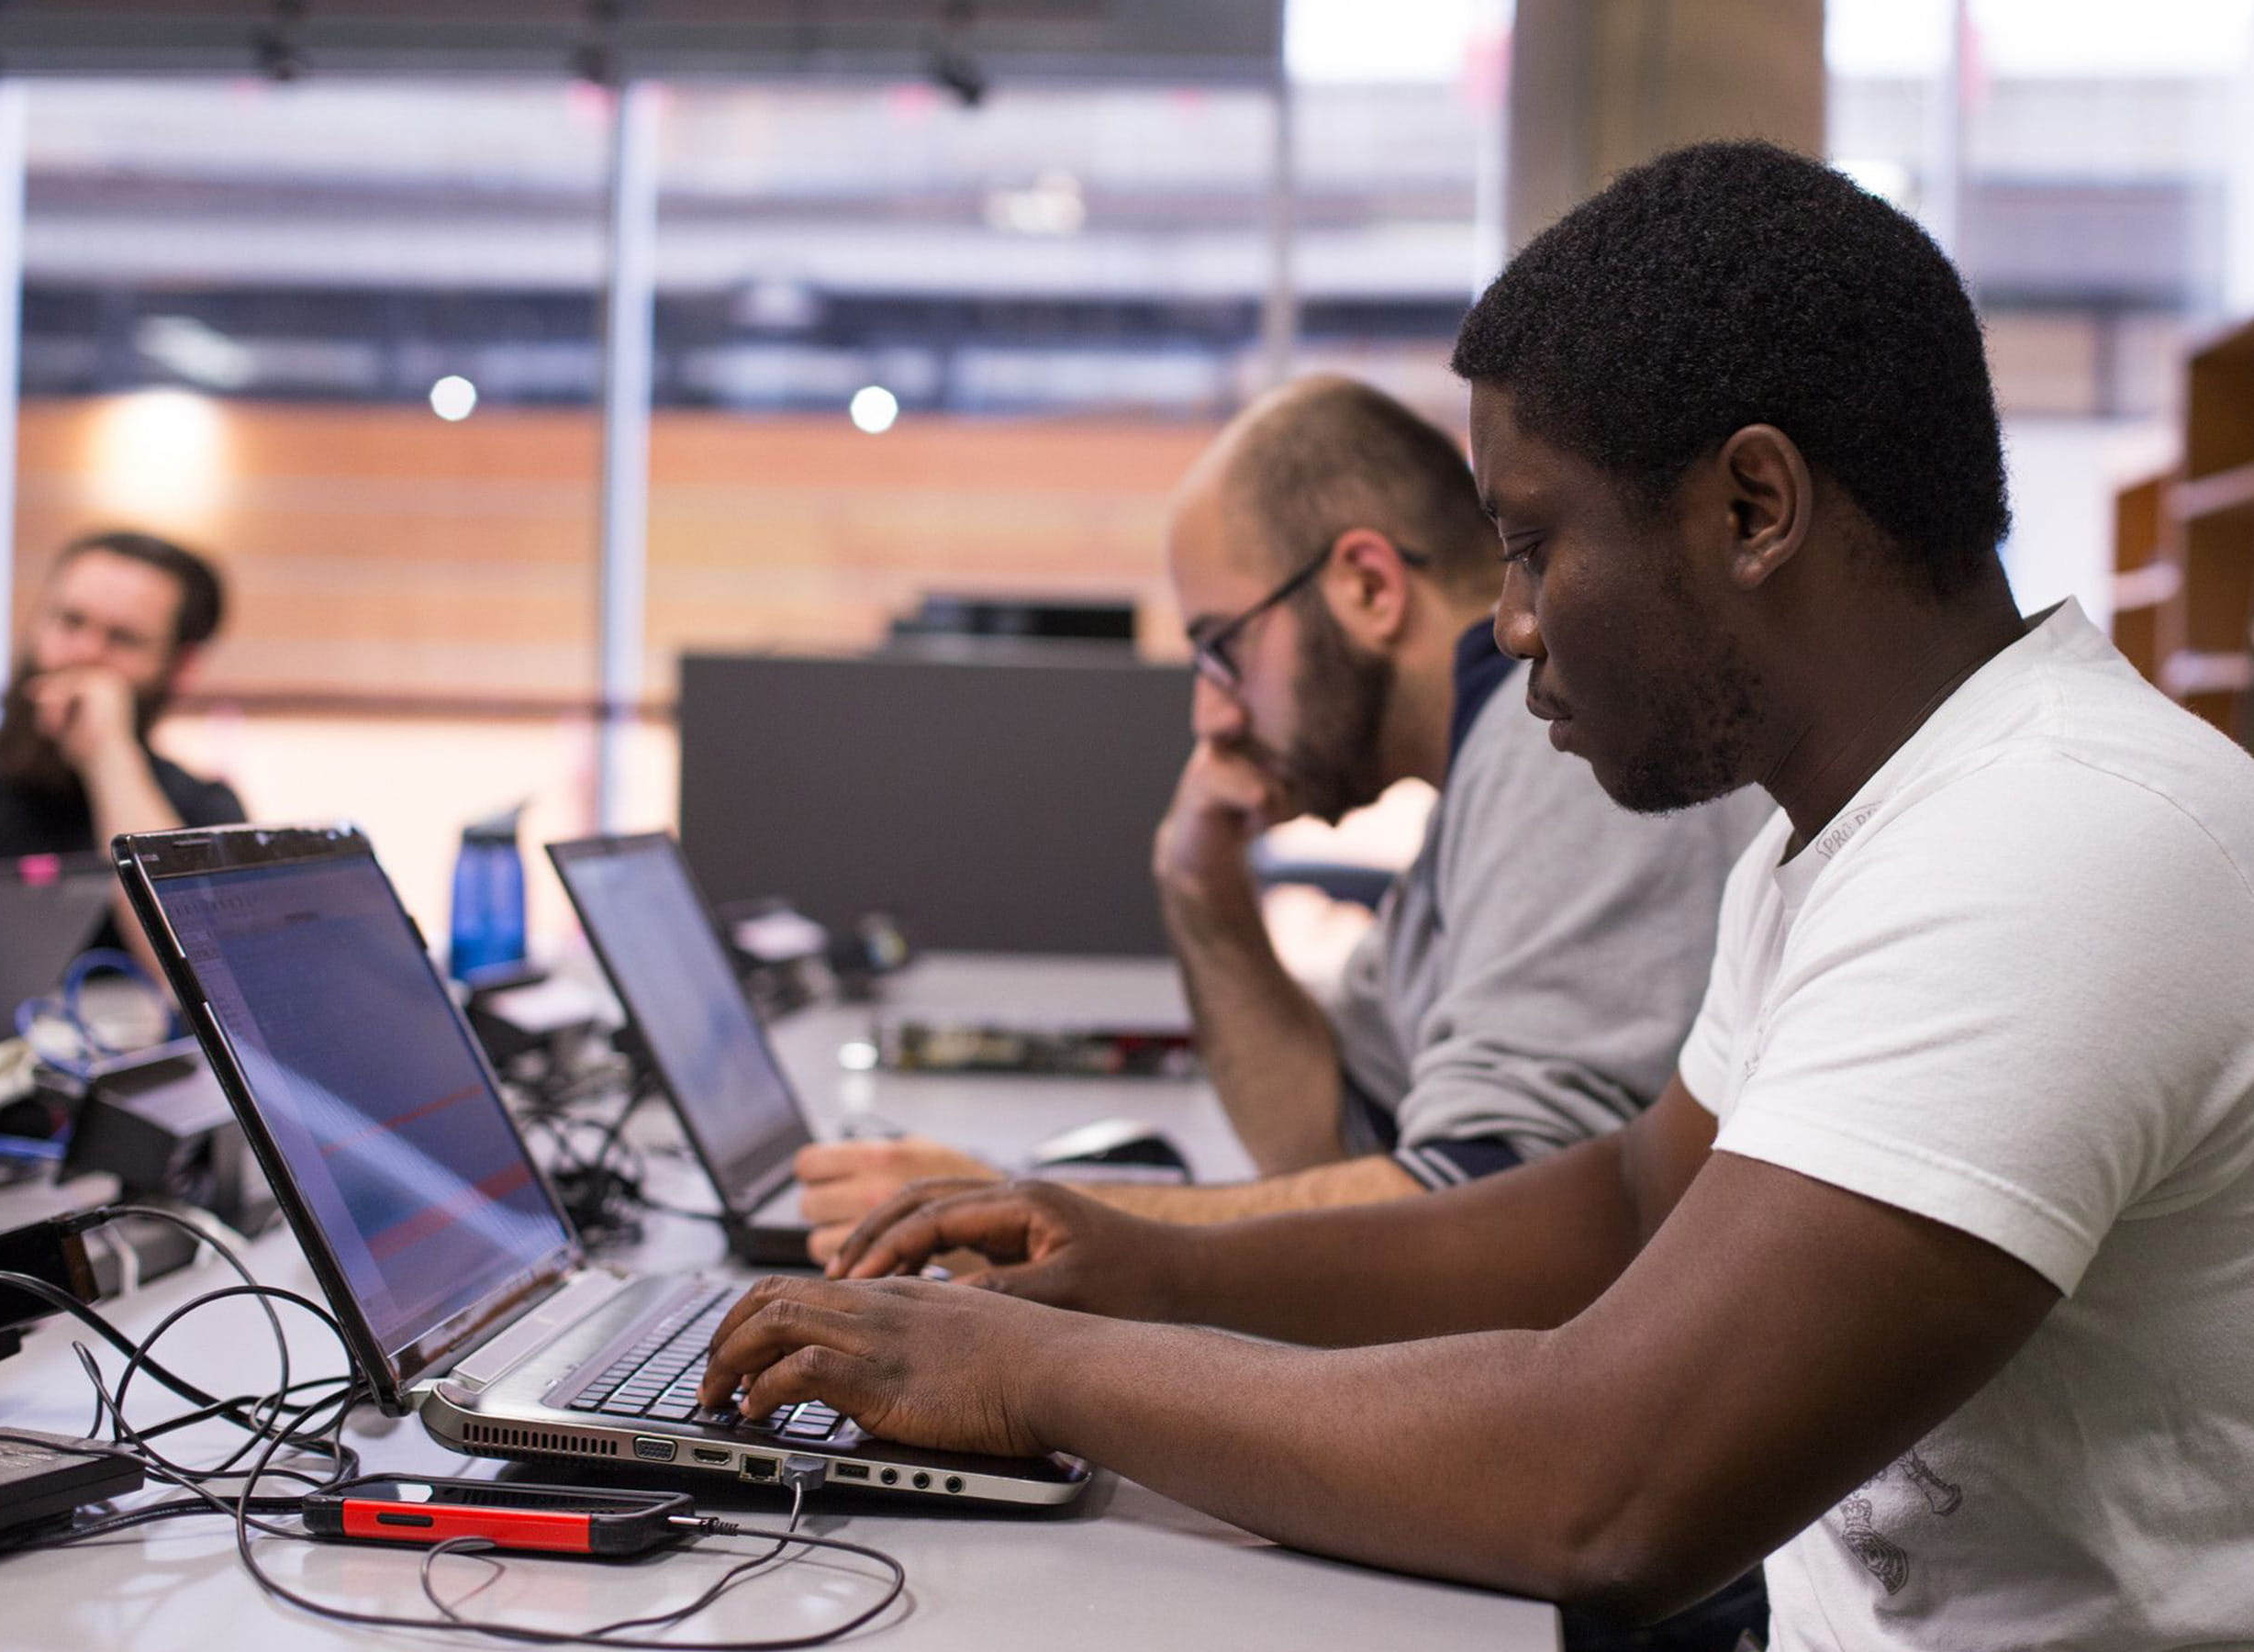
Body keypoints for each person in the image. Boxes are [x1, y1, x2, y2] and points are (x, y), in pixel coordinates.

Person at [699, 140, 2254, 1649]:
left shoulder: (2059, 843)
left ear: (1753, 510)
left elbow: (1609, 1491)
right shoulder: (1841, 836)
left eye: (1532, 545)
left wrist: (1043, 1369)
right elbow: (1634, 1202)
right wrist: (1145, 1255)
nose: (1505, 626)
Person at [794, 377, 1768, 1259]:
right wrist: (1200, 888)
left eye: (1222, 649)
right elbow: (1325, 1150)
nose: (1209, 714)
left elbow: (1485, 1218)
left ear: (1369, 588)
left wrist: (1027, 1211)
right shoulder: (1474, 787)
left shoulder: (1553, 765)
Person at [0, 530, 244, 968]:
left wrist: (108, 757)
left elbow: (210, 976)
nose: (83, 653)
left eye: (123, 639)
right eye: (70, 621)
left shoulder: (202, 810)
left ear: (181, 666)